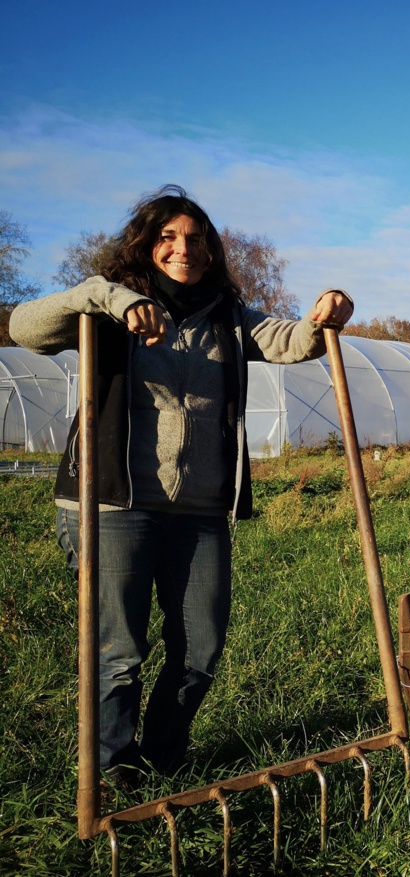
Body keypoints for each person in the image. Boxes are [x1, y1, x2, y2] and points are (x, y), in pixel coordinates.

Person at [9, 185, 354, 788]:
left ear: (211, 250)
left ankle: (164, 756)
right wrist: (106, 297)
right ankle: (112, 767)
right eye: (167, 237)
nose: (182, 248)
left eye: (194, 238)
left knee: (201, 648)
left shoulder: (225, 314)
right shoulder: (104, 313)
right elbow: (23, 328)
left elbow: (287, 340)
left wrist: (323, 313)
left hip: (198, 511)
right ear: (145, 245)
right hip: (113, 503)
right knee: (119, 653)